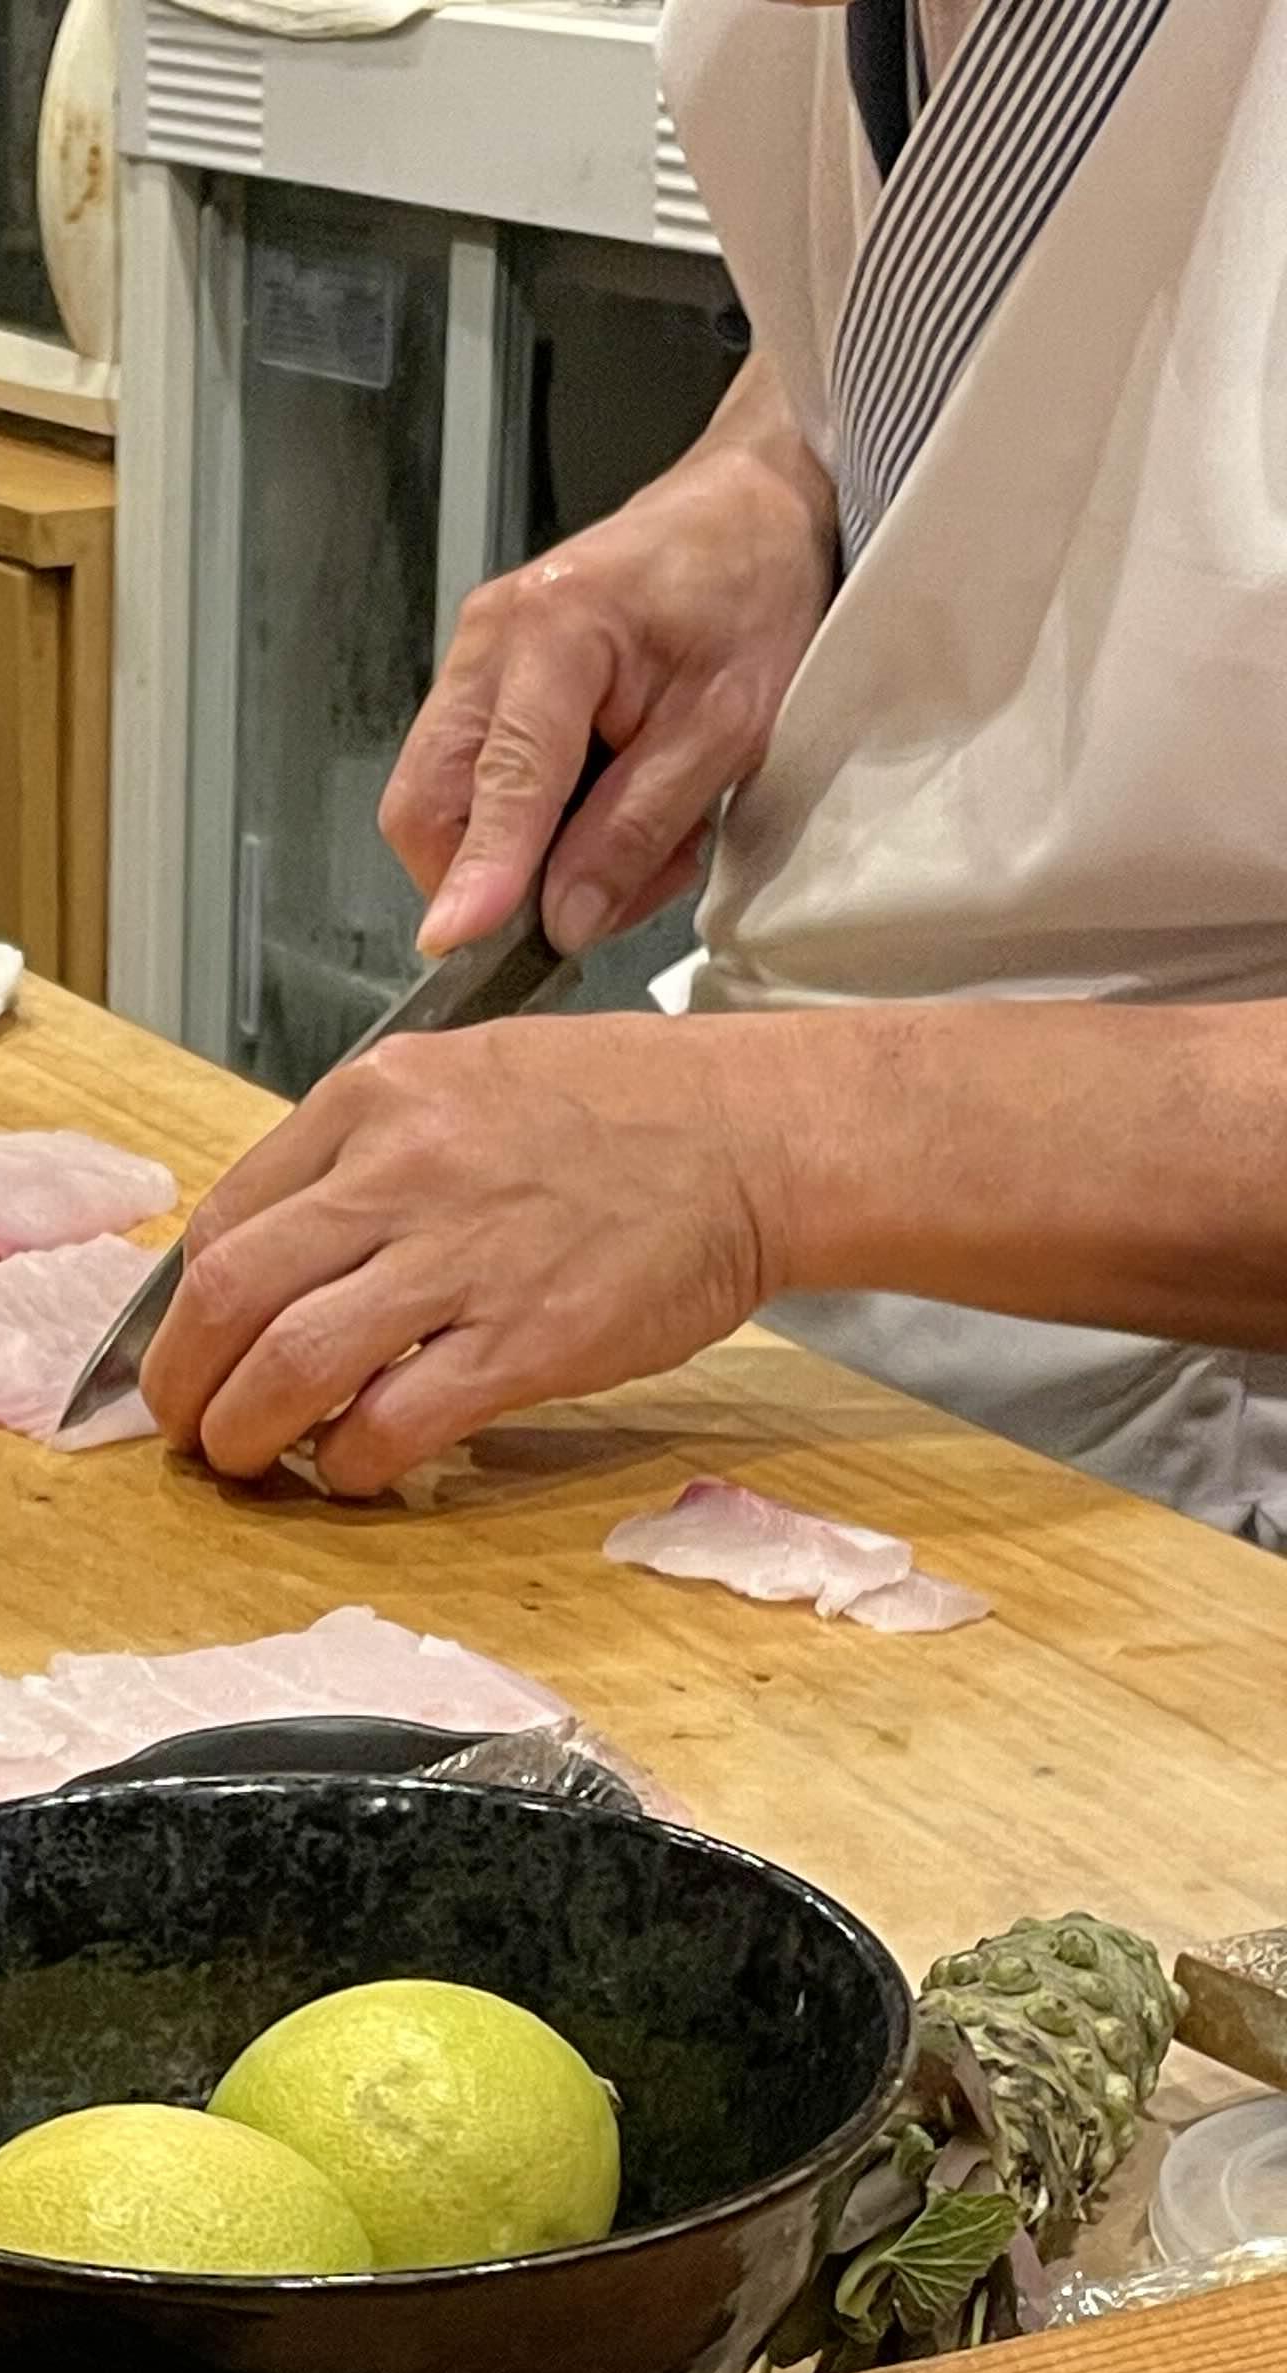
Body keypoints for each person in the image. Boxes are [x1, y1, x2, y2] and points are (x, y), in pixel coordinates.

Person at [141, 0, 1287, 1550]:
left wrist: (765, 1151)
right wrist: (772, 481)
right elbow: (1005, 241)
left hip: (1202, 1509)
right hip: (830, 1391)